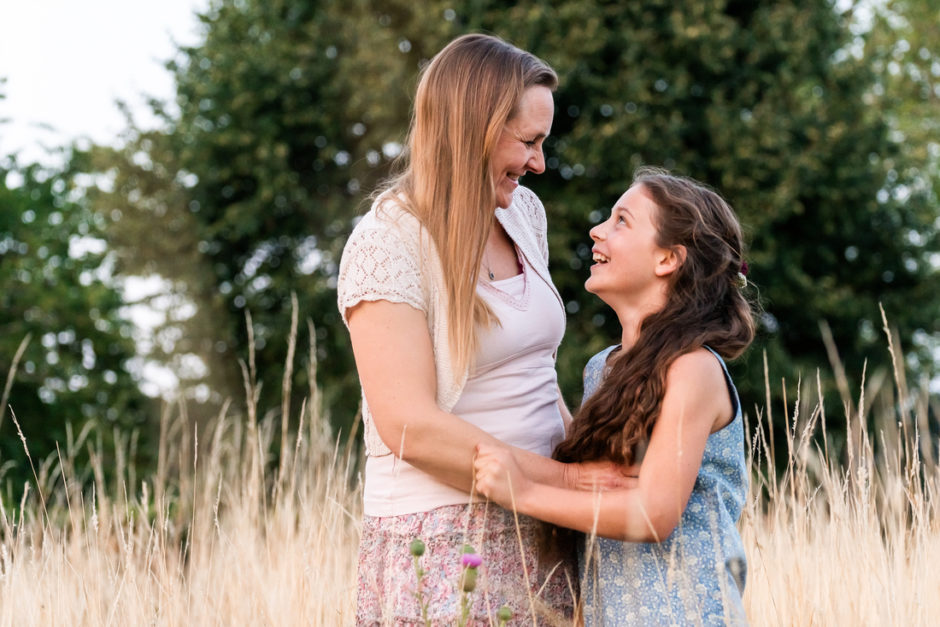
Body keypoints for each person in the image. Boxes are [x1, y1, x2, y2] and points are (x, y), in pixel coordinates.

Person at [337, 33, 610, 625]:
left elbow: (533, 371)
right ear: (474, 128)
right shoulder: (388, 241)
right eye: (529, 141)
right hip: (445, 537)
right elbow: (408, 427)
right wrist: (566, 479)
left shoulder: (523, 212)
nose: (539, 163)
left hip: (543, 525)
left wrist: (588, 470)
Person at [474, 167, 756, 626]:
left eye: (621, 221)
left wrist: (520, 492)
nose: (597, 231)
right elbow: (584, 480)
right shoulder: (602, 369)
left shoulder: (693, 369)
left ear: (668, 259)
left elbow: (654, 514)